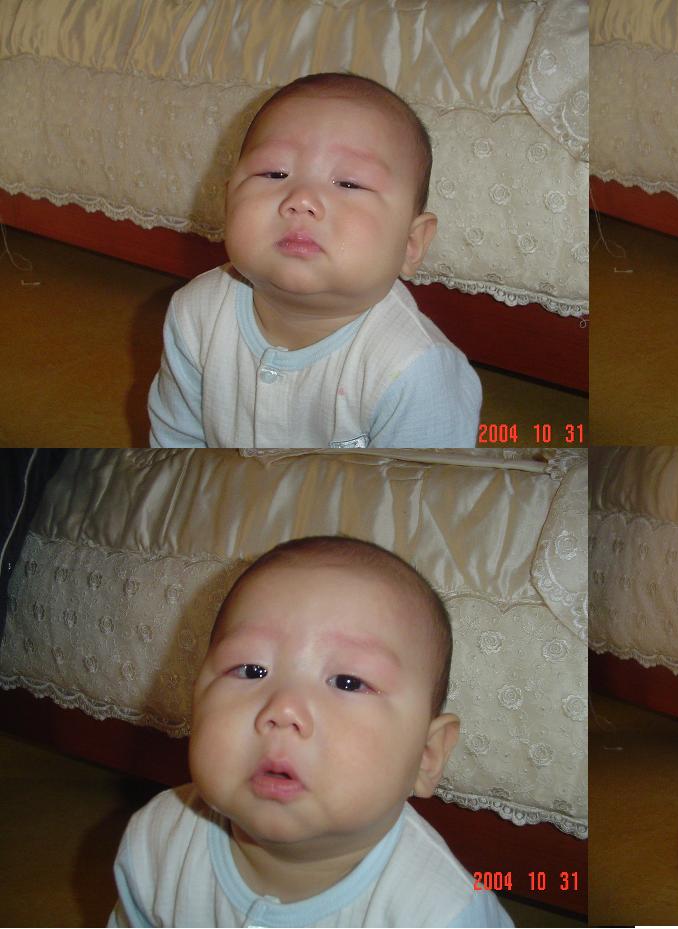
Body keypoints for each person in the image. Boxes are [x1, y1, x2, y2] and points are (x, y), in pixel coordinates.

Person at [109, 536, 512, 927]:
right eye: (251, 670)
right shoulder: (156, 841)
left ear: (426, 755)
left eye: (348, 682)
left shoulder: (442, 913)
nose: (283, 708)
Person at [149, 73, 481, 448]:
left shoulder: (415, 371)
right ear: (228, 204)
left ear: (410, 243)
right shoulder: (194, 314)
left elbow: (421, 483)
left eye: (349, 183)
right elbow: (176, 441)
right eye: (274, 173)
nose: (301, 199)